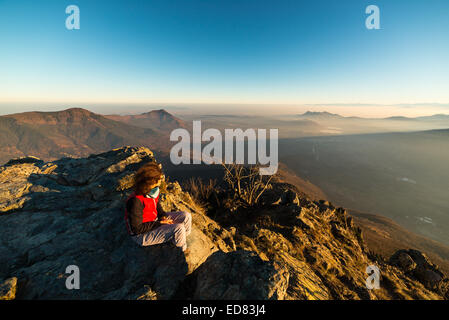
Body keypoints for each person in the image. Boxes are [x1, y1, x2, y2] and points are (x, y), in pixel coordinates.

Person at [124, 162, 192, 253]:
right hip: (142, 235)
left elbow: (157, 206)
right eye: (157, 184)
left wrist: (163, 216)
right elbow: (137, 229)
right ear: (148, 184)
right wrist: (160, 223)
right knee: (178, 228)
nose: (158, 186)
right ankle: (182, 251)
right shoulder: (135, 201)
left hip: (155, 221)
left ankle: (179, 239)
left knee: (186, 215)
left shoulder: (152, 192)